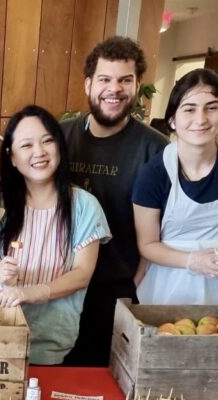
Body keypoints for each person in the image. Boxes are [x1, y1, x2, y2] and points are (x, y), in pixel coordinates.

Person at [61, 36, 168, 366]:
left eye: (125, 80)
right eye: (105, 79)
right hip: (56, 286)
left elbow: (163, 228)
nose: (114, 89)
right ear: (88, 84)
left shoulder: (156, 150)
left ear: (137, 86)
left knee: (103, 384)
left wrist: (132, 284)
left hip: (115, 290)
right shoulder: (59, 137)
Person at [132, 68, 218, 306]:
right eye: (189, 109)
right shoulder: (154, 173)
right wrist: (192, 261)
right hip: (172, 280)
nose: (201, 119)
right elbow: (147, 244)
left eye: (211, 107)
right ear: (172, 120)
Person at [0, 105, 108, 366]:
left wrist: (31, 292)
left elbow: (82, 273)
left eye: (47, 141)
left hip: (51, 341)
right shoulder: (0, 203)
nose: (39, 152)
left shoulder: (84, 206)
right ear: (12, 156)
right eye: (26, 145)